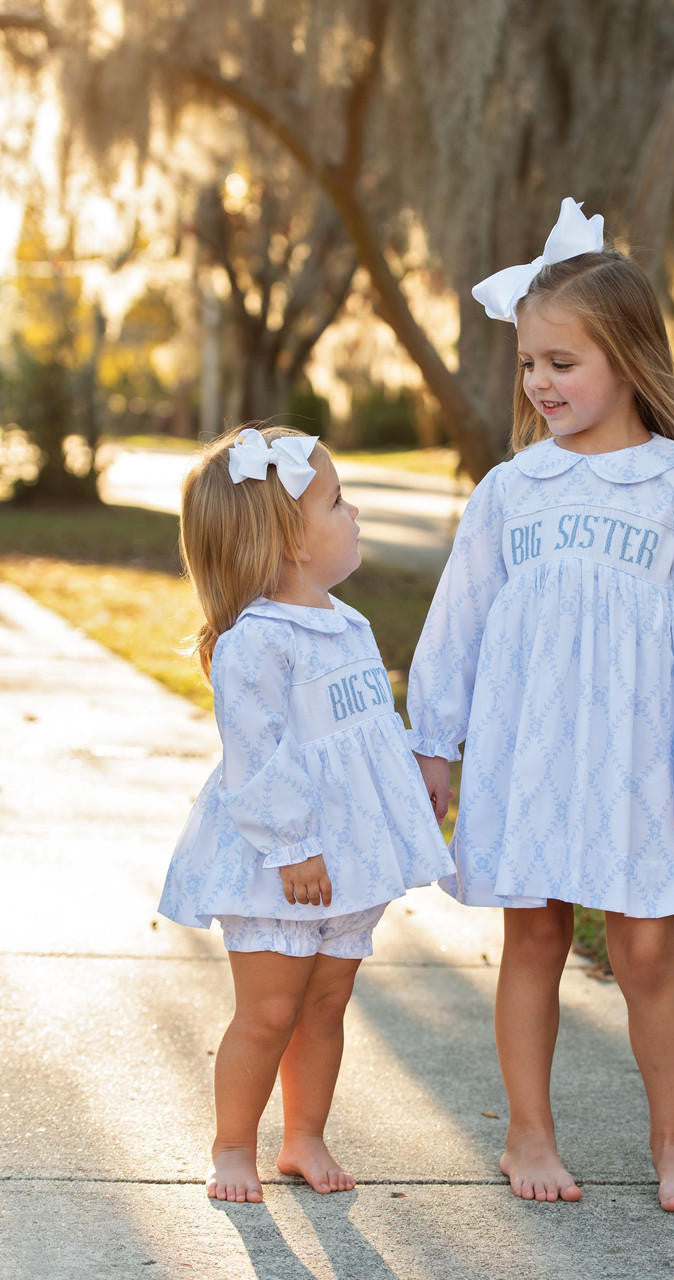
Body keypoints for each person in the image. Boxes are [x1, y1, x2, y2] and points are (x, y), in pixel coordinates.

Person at [408, 198, 674, 1214]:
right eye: (529, 364)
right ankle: (528, 1131)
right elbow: (456, 621)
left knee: (645, 946)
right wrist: (433, 742)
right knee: (536, 936)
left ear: (629, 359)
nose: (541, 384)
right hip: (531, 749)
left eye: (563, 362)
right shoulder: (513, 491)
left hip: (638, 757)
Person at [159, 425, 453, 1204]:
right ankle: (231, 1148)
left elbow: (362, 738)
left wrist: (410, 779)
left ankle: (305, 1136)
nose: (353, 513)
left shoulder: (345, 622)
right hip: (281, 865)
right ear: (290, 541)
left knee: (326, 1005)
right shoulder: (257, 641)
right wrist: (294, 844)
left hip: (348, 861)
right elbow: (260, 757)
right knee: (269, 1013)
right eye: (337, 501)